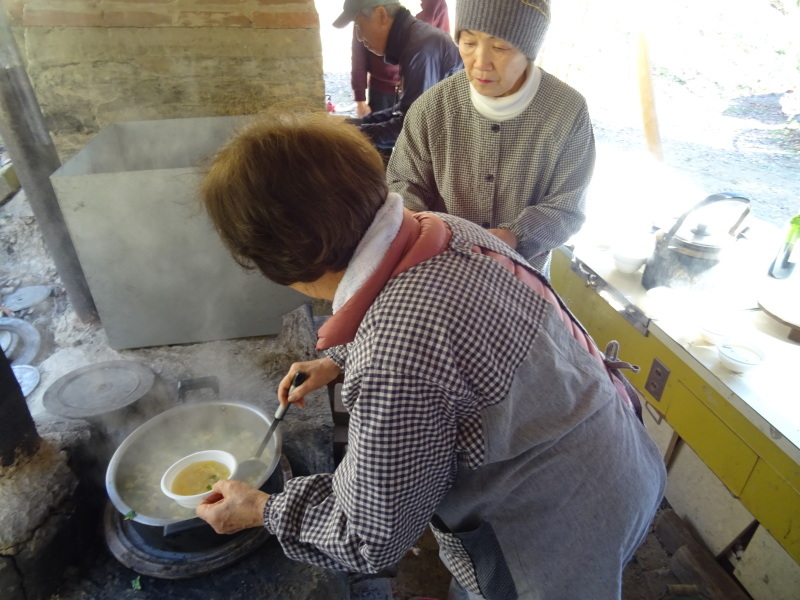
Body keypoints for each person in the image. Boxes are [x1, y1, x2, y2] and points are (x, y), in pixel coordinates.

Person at [195, 112, 666, 600]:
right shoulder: (443, 229)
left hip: (552, 535)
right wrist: (342, 355)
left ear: (287, 262)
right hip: (622, 459)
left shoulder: (394, 359)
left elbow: (368, 536)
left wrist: (262, 509)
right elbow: (451, 335)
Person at [387, 0, 595, 277]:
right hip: (441, 268)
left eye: (500, 47)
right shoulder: (432, 107)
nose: (480, 63)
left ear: (529, 50)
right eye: (469, 43)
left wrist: (513, 237)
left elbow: (567, 207)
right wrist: (432, 234)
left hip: (523, 273)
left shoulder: (567, 112)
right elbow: (403, 184)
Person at [334, 0, 462, 150]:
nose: (360, 38)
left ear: (381, 15)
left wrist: (353, 134)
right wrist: (353, 125)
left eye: (358, 25)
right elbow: (405, 111)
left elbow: (415, 128)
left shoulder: (420, 48)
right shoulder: (413, 38)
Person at [351, 0, 451, 118]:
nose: (360, 37)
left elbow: (440, 58)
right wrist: (360, 99)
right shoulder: (372, 7)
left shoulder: (435, 6)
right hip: (381, 89)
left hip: (420, 87)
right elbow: (358, 55)